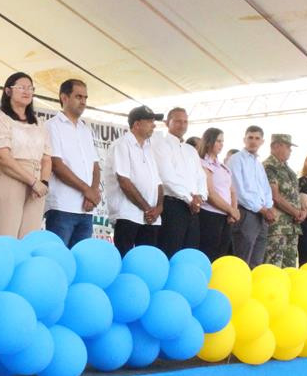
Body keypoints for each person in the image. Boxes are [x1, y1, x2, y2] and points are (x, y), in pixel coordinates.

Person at [0, 72, 52, 238]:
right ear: (8, 91)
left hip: (37, 185)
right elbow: (2, 157)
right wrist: (32, 181)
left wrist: (43, 182)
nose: (27, 91)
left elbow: (47, 158)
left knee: (29, 239)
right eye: (21, 87)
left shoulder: (38, 122)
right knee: (6, 237)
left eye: (30, 88)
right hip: (10, 177)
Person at [44, 79, 100, 248]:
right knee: (59, 258)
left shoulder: (85, 130)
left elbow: (95, 166)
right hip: (62, 206)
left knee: (81, 261)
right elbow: (57, 165)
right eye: (78, 96)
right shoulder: (52, 126)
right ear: (64, 98)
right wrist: (87, 190)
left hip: (86, 208)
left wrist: (93, 192)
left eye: (85, 98)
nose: (83, 102)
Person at [105, 105, 164, 256]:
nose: (154, 125)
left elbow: (158, 182)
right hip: (128, 215)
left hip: (150, 218)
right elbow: (123, 180)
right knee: (125, 259)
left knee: (146, 262)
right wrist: (147, 208)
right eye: (150, 121)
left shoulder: (148, 149)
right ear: (137, 124)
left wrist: (159, 207)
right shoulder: (122, 145)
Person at [153, 108, 207, 256]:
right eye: (177, 121)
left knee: (190, 252)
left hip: (193, 208)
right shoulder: (161, 144)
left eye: (185, 121)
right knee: (170, 250)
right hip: (173, 205)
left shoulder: (191, 150)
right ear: (167, 123)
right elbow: (167, 177)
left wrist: (200, 196)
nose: (182, 125)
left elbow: (200, 176)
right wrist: (191, 199)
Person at [227, 126, 276, 266]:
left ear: (262, 141)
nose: (253, 141)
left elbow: (266, 190)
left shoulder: (258, 164)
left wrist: (268, 207)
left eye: (257, 138)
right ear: (244, 139)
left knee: (257, 259)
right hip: (246, 212)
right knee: (243, 257)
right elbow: (238, 191)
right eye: (250, 138)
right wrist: (263, 209)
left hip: (262, 215)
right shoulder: (236, 159)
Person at [197, 127, 240, 262]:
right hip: (210, 215)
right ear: (209, 142)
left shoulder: (223, 166)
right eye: (218, 141)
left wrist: (234, 210)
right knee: (210, 253)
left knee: (223, 254)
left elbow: (232, 190)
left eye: (222, 141)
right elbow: (210, 193)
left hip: (226, 216)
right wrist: (231, 210)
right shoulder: (202, 163)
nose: (221, 144)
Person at [263, 134, 305, 268]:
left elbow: (294, 196)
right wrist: (296, 212)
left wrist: (301, 212)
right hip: (277, 227)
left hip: (292, 227)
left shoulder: (289, 170)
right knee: (274, 267)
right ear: (276, 146)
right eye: (287, 146)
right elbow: (274, 196)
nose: (290, 150)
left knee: (290, 268)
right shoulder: (269, 167)